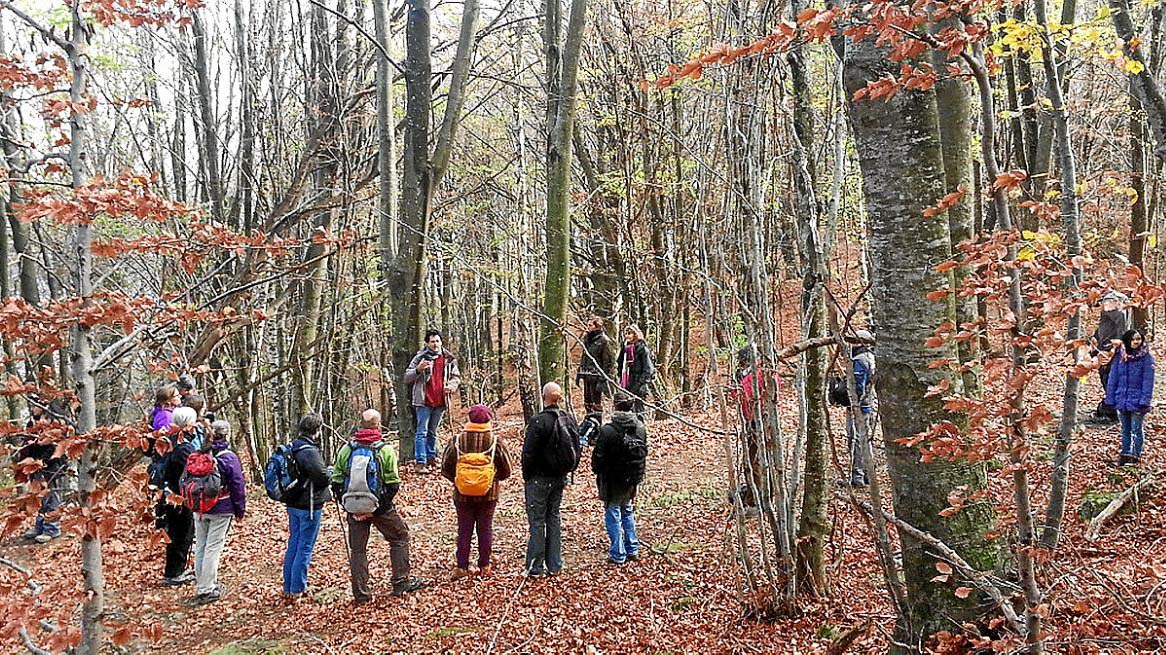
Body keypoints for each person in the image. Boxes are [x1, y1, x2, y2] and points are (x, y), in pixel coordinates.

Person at [331, 409, 425, 603]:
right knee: (400, 536)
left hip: (353, 507)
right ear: (378, 425)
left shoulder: (346, 449)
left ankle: (361, 595)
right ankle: (400, 583)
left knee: (358, 550)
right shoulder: (385, 450)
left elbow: (337, 481)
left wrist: (351, 507)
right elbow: (393, 484)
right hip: (381, 508)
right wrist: (376, 509)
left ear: (361, 425)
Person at [440, 404, 512, 577]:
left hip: (462, 495)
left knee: (464, 529)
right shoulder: (495, 441)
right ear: (489, 419)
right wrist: (491, 480)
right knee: (485, 528)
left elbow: (445, 467)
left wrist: (459, 481)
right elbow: (507, 469)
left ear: (469, 418)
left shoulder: (457, 440)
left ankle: (461, 567)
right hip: (489, 495)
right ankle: (484, 566)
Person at [522, 382, 579, 577]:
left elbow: (528, 453)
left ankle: (535, 567)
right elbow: (577, 449)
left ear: (544, 396)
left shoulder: (538, 421)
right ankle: (555, 565)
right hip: (559, 478)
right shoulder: (569, 418)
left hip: (539, 479)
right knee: (553, 518)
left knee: (538, 522)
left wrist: (527, 476)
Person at [189, 420, 246, 605]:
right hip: (221, 507)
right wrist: (239, 510)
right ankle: (207, 588)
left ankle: (202, 584)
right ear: (227, 435)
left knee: (201, 545)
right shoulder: (228, 457)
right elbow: (238, 485)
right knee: (213, 547)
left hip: (199, 506)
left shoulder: (199, 453)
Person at [591, 393, 647, 565]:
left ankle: (618, 553)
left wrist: (598, 471)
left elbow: (598, 459)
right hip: (632, 479)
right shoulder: (640, 427)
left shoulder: (608, 430)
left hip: (612, 480)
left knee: (613, 514)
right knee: (627, 511)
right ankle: (632, 548)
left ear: (615, 406)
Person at [282, 413, 332, 600]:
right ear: (316, 431)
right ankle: (297, 587)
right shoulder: (308, 451)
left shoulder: (293, 447)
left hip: (293, 503)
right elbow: (322, 476)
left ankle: (288, 586)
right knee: (304, 546)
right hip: (308, 505)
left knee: (294, 544)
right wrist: (329, 472)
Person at [404, 330, 462, 473]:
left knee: (433, 431)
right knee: (421, 431)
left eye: (437, 341)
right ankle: (420, 462)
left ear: (441, 342)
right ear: (427, 343)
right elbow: (407, 377)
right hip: (424, 400)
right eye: (432, 341)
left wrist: (452, 386)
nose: (435, 344)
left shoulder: (448, 358)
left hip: (441, 400)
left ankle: (431, 457)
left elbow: (456, 376)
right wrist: (418, 370)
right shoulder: (420, 358)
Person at [154, 406, 200, 586]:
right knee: (182, 534)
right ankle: (174, 573)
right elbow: (191, 471)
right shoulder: (182, 448)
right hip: (178, 497)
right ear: (188, 424)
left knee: (178, 533)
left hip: (170, 494)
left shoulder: (169, 442)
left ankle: (176, 570)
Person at [17, 398, 68, 544]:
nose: (33, 407)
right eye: (32, 405)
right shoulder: (31, 423)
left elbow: (54, 448)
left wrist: (43, 462)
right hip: (34, 466)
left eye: (36, 404)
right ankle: (40, 526)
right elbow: (28, 445)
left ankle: (52, 528)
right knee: (38, 497)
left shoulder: (54, 422)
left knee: (51, 497)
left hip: (52, 466)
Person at [1106, 328, 1155, 466]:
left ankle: (1136, 456)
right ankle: (1125, 454)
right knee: (1125, 429)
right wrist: (1110, 397)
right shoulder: (1119, 356)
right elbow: (1113, 377)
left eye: (1138, 339)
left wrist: (1145, 401)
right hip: (1122, 398)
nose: (1136, 342)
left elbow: (1148, 381)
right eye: (1133, 339)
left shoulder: (1146, 358)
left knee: (1136, 429)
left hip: (1138, 400)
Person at [1090, 291, 1130, 424]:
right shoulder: (1108, 309)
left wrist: (1116, 346)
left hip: (1111, 350)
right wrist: (1094, 338)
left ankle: (1114, 411)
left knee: (1111, 379)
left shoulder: (1111, 304)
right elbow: (1104, 327)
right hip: (1105, 347)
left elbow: (1121, 322)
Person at [846, 330, 877, 487]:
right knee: (864, 440)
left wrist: (851, 402)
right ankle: (867, 474)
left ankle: (858, 476)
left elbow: (858, 387)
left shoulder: (859, 359)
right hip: (868, 405)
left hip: (860, 406)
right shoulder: (871, 358)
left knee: (856, 440)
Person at [576, 317, 614, 415]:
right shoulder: (587, 339)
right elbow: (584, 357)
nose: (588, 327)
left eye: (590, 325)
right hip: (587, 375)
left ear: (597, 326)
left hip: (597, 377)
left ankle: (598, 423)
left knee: (596, 404)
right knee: (587, 402)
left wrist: (602, 380)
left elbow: (608, 362)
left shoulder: (604, 340)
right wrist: (579, 374)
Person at [615, 325, 655, 415]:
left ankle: (640, 428)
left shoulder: (642, 349)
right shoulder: (625, 348)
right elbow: (620, 364)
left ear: (635, 334)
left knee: (639, 410)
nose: (627, 336)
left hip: (639, 383)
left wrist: (641, 384)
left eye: (629, 333)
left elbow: (648, 369)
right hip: (626, 382)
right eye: (625, 334)